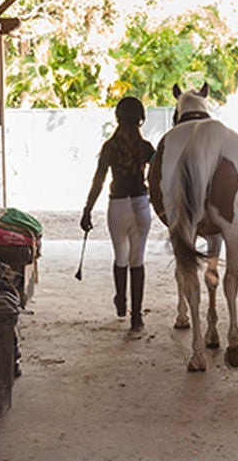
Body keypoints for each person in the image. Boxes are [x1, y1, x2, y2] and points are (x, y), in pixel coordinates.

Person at [81, 96, 155, 332]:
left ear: (118, 117)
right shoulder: (146, 148)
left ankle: (121, 301)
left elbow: (98, 182)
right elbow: (158, 175)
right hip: (141, 205)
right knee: (138, 260)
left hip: (118, 207)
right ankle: (136, 317)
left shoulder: (110, 147)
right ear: (141, 119)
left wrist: (87, 210)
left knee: (120, 257)